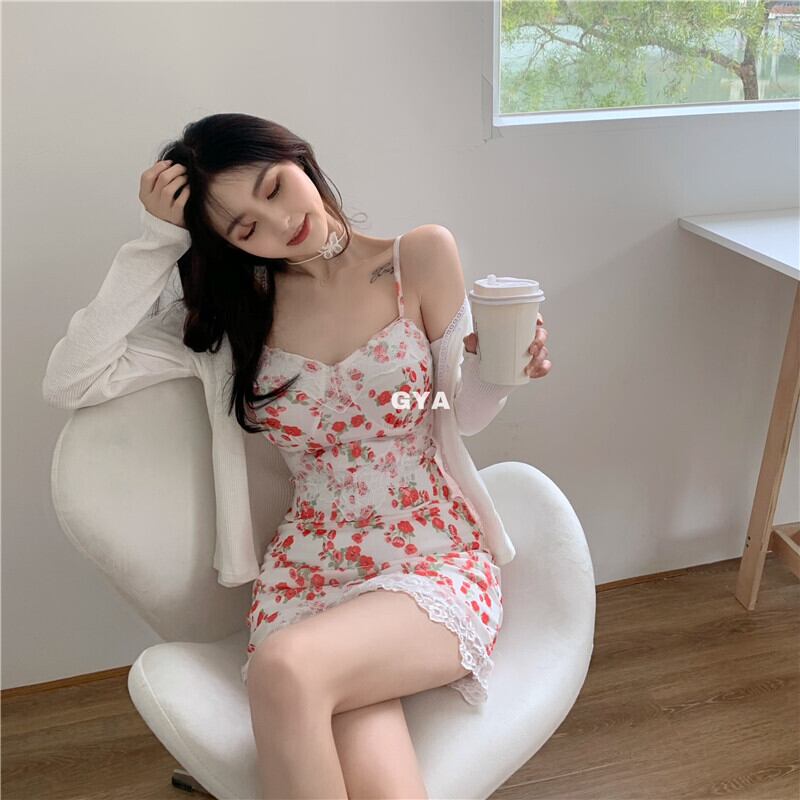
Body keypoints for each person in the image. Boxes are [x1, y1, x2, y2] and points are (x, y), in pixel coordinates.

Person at [92, 112, 551, 799]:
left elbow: (462, 412)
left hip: (430, 554)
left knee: (285, 669)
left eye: (275, 188)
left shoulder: (418, 257)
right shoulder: (237, 317)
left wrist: (499, 372)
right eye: (245, 228)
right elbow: (75, 375)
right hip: (308, 573)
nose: (279, 224)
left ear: (298, 160)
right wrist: (157, 239)